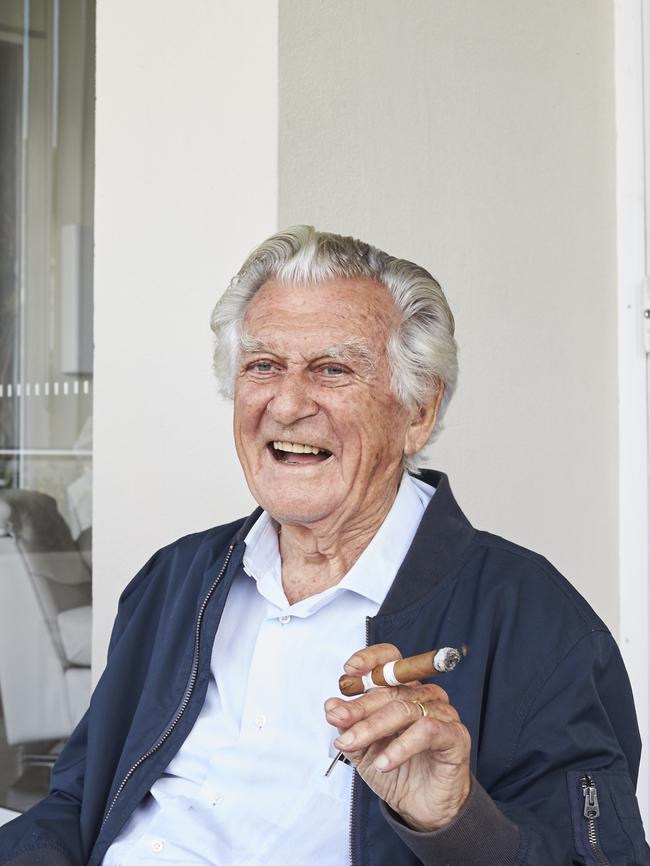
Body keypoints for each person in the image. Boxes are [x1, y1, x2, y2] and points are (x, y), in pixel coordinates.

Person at [0, 226, 648, 866]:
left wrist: (455, 822)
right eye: (263, 366)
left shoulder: (536, 624)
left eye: (332, 369)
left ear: (418, 411)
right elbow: (79, 798)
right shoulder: (175, 581)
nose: (287, 404)